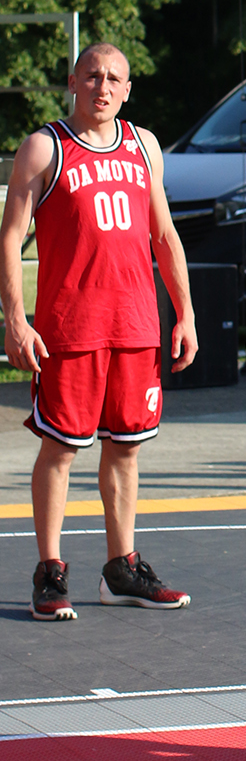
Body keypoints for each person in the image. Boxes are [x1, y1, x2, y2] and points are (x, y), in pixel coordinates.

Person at [0, 43, 196, 620]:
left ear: (127, 90)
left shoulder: (144, 145)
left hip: (135, 324)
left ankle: (120, 569)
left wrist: (185, 313)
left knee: (126, 448)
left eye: (113, 79)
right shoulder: (45, 147)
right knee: (60, 448)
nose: (102, 87)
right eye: (92, 76)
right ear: (72, 81)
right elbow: (10, 237)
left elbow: (164, 235)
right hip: (70, 327)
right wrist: (15, 320)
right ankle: (49, 571)